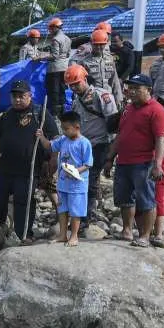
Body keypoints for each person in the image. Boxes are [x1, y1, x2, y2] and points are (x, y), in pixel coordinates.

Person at [0, 80, 59, 241]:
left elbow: (55, 138)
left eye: (21, 96)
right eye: (14, 96)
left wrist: (53, 159)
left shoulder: (41, 113)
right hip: (5, 166)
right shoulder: (8, 114)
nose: (17, 99)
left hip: (28, 169)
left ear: (29, 96)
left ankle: (24, 234)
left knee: (23, 201)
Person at [103, 73, 164, 247]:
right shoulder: (128, 109)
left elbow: (160, 139)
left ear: (148, 90)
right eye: (130, 88)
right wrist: (110, 158)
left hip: (144, 162)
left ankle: (145, 236)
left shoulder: (157, 110)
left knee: (146, 199)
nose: (131, 92)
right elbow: (120, 136)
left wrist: (157, 165)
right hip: (124, 161)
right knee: (124, 198)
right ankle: (126, 231)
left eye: (136, 88)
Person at [66, 63, 119, 224]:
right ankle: (85, 211)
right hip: (83, 146)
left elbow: (114, 122)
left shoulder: (101, 96)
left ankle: (85, 216)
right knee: (81, 178)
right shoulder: (76, 101)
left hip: (100, 144)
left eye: (77, 84)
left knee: (89, 178)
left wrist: (112, 153)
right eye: (72, 85)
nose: (75, 88)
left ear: (85, 79)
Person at [37, 111, 92, 247]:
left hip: (77, 185)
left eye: (67, 129)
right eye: (63, 128)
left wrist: (75, 171)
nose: (64, 131)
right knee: (62, 209)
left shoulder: (84, 143)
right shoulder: (63, 140)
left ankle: (74, 236)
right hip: (63, 184)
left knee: (75, 211)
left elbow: (88, 164)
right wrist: (41, 137)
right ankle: (62, 234)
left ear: (77, 127)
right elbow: (49, 146)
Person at [74, 28, 123, 103]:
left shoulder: (110, 58)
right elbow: (80, 85)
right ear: (91, 43)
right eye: (96, 44)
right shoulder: (84, 62)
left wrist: (119, 99)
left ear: (106, 43)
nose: (99, 47)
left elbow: (114, 80)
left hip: (108, 98)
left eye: (101, 44)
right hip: (92, 99)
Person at [41, 17, 71, 116]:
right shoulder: (67, 39)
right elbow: (68, 54)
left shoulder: (55, 39)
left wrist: (42, 57)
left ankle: (54, 114)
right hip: (65, 68)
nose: (50, 31)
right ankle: (62, 112)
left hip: (55, 69)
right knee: (62, 90)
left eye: (51, 29)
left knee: (54, 91)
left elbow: (54, 55)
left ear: (55, 28)